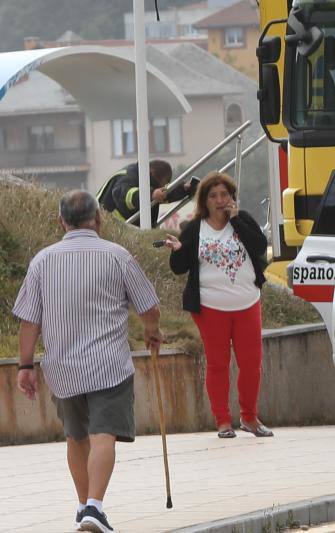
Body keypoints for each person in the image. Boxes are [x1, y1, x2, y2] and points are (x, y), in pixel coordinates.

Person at [14, 190, 163, 533]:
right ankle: (94, 507)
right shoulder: (117, 256)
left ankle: (85, 508)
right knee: (102, 436)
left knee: (76, 438)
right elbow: (149, 307)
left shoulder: (42, 261)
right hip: (108, 366)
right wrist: (152, 331)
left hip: (63, 368)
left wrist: (25, 366)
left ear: (61, 221)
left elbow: (29, 322)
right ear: (98, 219)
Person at [164, 172, 272, 439]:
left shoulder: (241, 220)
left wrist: (236, 220)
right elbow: (179, 269)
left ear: (231, 196)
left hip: (247, 302)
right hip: (210, 307)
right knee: (218, 363)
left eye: (224, 194)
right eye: (213, 196)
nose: (219, 200)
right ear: (204, 201)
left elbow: (259, 246)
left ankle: (249, 417)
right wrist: (177, 250)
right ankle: (223, 421)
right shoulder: (194, 229)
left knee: (251, 364)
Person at [97, 160, 195, 227]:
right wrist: (151, 194)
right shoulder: (127, 177)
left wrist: (184, 189)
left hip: (124, 227)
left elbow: (163, 194)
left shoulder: (144, 178)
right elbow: (124, 196)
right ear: (150, 174)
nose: (157, 190)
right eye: (156, 185)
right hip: (106, 226)